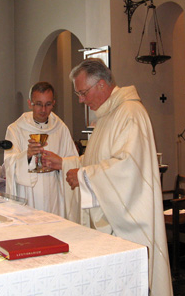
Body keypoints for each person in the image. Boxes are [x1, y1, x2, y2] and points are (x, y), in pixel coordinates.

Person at [42, 59, 173, 295]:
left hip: (127, 226)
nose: (81, 100)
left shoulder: (130, 113)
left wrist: (83, 176)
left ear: (101, 85)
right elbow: (96, 160)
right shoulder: (107, 116)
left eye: (83, 93)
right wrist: (64, 164)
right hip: (108, 222)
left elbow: (128, 169)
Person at [4, 81, 80, 222]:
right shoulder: (15, 129)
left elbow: (74, 160)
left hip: (54, 192)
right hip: (28, 193)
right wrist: (26, 156)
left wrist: (59, 162)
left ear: (54, 103)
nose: (43, 110)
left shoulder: (61, 128)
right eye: (38, 104)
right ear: (30, 103)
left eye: (48, 104)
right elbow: (8, 162)